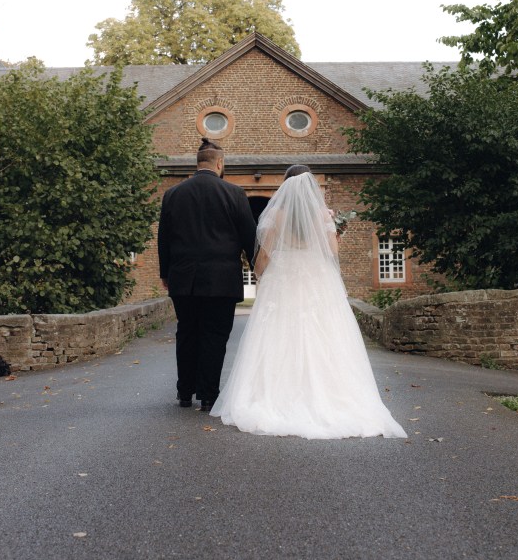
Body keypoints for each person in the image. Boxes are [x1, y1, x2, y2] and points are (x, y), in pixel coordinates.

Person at [211, 165, 407, 439]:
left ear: (285, 187)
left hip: (283, 278)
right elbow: (332, 252)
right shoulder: (322, 215)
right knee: (323, 334)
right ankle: (328, 394)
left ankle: (275, 395)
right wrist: (335, 233)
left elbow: (264, 255)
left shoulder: (276, 215)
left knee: (278, 335)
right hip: (317, 278)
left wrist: (259, 275)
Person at [157, 137, 257, 411]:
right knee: (215, 336)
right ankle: (208, 395)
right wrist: (257, 269)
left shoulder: (173, 194)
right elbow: (249, 237)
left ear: (198, 163)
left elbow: (163, 238)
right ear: (220, 163)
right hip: (221, 280)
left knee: (187, 333)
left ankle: (184, 392)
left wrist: (166, 273)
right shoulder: (234, 194)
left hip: (183, 278)